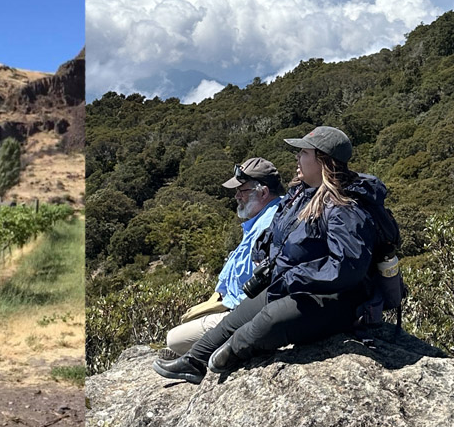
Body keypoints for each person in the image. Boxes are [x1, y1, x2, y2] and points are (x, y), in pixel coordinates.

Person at [154, 126, 383, 384]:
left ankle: (229, 355)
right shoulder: (303, 194)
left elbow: (347, 267)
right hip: (296, 284)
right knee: (236, 317)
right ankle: (193, 362)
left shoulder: (344, 206)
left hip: (335, 296)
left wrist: (292, 276)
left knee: (265, 322)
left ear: (322, 160)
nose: (296, 158)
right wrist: (267, 253)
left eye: (303, 153)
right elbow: (280, 232)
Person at [161, 158, 283, 358]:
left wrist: (227, 307)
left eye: (241, 191)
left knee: (174, 339)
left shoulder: (269, 225)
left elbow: (265, 282)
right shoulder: (260, 220)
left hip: (246, 312)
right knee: (184, 326)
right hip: (235, 305)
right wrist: (215, 299)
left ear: (263, 192)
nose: (236, 196)